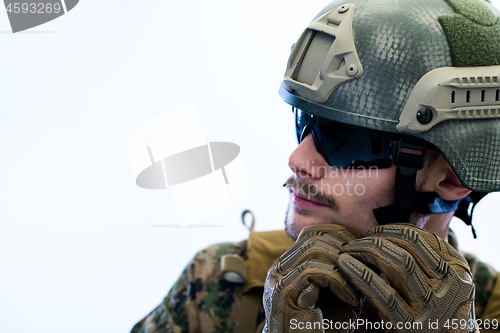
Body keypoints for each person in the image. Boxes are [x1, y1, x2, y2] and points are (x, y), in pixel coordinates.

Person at [131, 0, 500, 332]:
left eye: (346, 139)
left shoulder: (491, 308)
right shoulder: (221, 282)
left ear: (451, 178)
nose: (298, 161)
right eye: (304, 122)